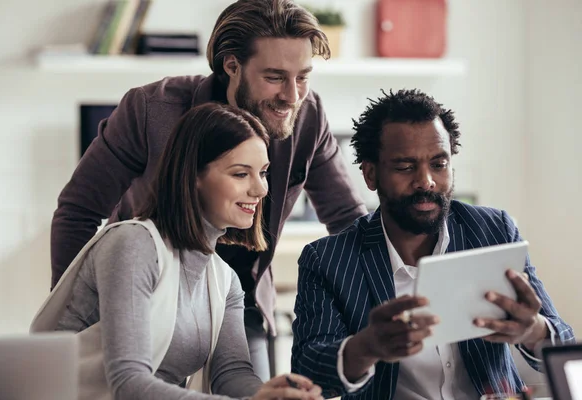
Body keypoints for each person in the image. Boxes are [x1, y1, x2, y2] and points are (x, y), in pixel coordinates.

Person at [50, 0, 367, 380]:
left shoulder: (307, 114)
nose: (292, 95)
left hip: (239, 297)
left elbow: (349, 221)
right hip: (150, 294)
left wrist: (374, 311)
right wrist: (75, 321)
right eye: (274, 76)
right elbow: (78, 210)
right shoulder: (150, 110)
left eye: (303, 76)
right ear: (231, 65)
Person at [290, 89, 575, 399]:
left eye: (438, 164)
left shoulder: (494, 231)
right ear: (371, 174)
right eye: (405, 167)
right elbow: (306, 371)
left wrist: (532, 330)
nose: (426, 181)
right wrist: (367, 347)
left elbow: (564, 345)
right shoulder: (327, 260)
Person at [34, 103, 323, 400]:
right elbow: (128, 382)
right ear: (193, 175)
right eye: (240, 174)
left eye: (262, 173)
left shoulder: (224, 280)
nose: (261, 189)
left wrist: (270, 394)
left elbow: (231, 372)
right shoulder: (133, 245)